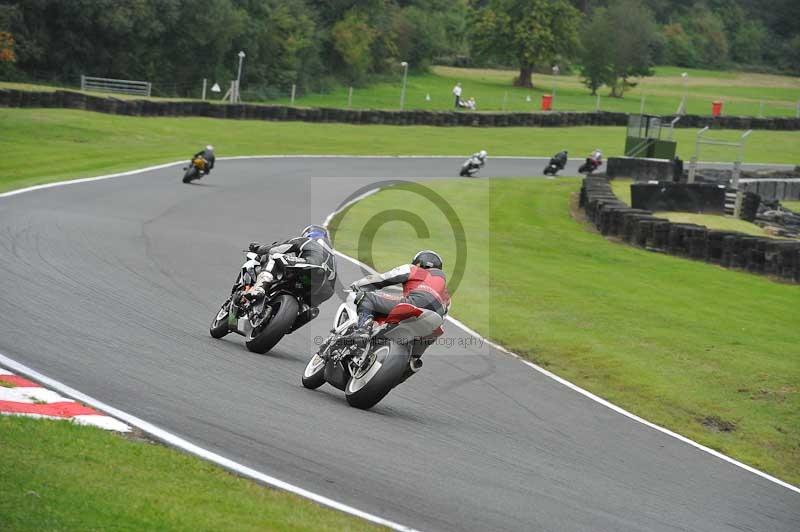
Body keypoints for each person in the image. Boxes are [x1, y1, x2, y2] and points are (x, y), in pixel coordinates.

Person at [349, 250, 450, 337]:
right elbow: (444, 316)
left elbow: (382, 279)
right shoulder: (445, 292)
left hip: (415, 303)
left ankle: (363, 331)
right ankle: (413, 359)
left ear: (418, 263)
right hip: (436, 320)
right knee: (426, 339)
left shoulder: (413, 269)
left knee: (367, 297)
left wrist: (358, 284)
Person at [243, 224, 337, 307]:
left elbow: (276, 249)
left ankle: (260, 287)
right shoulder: (332, 256)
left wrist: (258, 248)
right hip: (324, 287)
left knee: (275, 257)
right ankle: (302, 310)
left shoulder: (307, 240)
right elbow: (332, 283)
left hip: (310, 266)